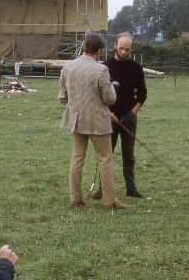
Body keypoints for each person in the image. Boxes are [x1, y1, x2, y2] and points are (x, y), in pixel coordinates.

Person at [59, 32, 130, 210]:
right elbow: (109, 99)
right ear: (99, 51)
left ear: (84, 47)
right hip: (98, 121)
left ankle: (75, 200)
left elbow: (62, 97)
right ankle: (109, 201)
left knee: (77, 158)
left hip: (76, 120)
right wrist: (113, 86)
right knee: (105, 159)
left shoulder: (68, 67)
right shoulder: (101, 70)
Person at [94, 32, 148, 199]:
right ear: (115, 47)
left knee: (128, 155)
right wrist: (108, 113)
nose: (125, 52)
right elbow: (98, 95)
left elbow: (142, 94)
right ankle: (103, 189)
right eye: (122, 48)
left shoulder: (136, 68)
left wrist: (133, 112)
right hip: (108, 117)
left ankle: (131, 189)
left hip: (129, 117)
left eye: (128, 49)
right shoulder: (104, 67)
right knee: (106, 155)